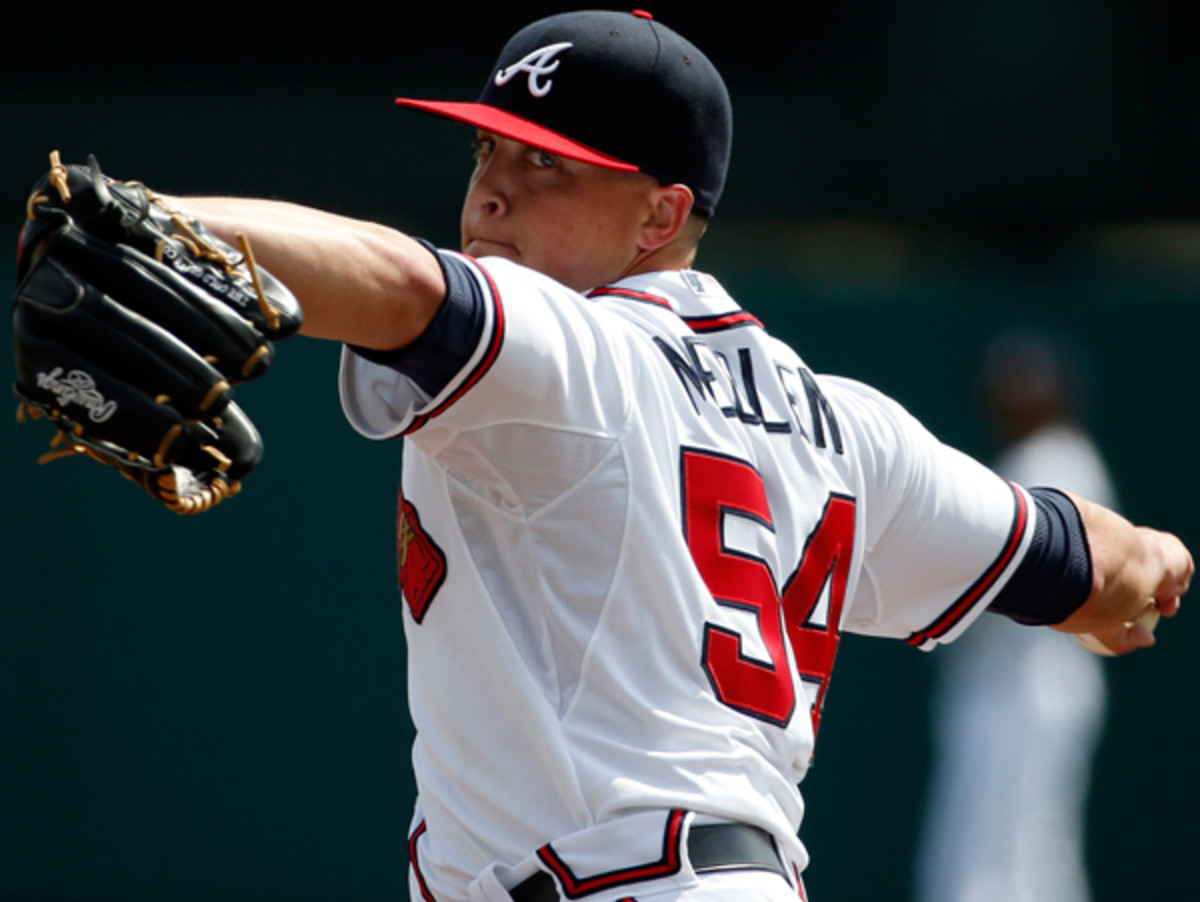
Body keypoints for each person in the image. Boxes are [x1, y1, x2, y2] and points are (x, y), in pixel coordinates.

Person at [152, 11, 1190, 901]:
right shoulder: (848, 428)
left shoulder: (578, 351)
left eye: (547, 164)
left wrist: (140, 222)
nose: (493, 193)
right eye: (486, 152)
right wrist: (1152, 564)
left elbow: (398, 280)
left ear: (663, 213)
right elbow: (1089, 558)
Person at [916, 331, 1117, 902]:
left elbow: (1019, 583)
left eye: (1027, 385)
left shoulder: (1058, 462)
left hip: (1031, 687)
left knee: (1010, 850)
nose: (1012, 399)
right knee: (1015, 845)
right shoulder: (1023, 461)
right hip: (1001, 686)